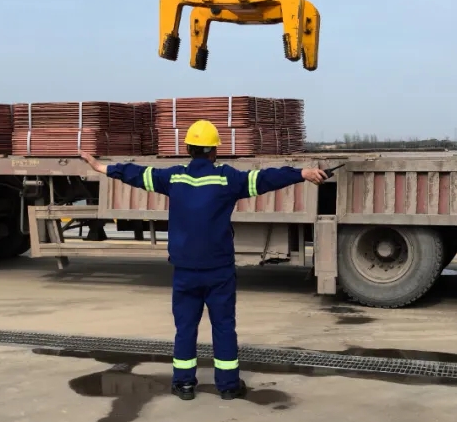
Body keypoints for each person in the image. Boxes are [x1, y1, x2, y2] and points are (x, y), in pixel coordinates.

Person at [80, 120, 326, 401]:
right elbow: (265, 178)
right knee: (224, 326)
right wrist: (302, 173)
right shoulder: (227, 179)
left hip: (185, 271)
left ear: (188, 149)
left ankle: (184, 384)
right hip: (219, 271)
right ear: (214, 151)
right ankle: (228, 386)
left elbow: (138, 174)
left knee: (185, 328)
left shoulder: (173, 178)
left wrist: (102, 167)